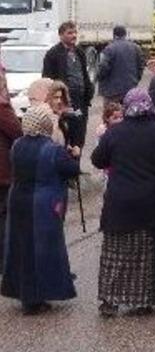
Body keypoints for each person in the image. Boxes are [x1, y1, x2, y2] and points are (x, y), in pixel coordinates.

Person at [90, 89, 155, 317]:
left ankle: (110, 300)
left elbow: (97, 160)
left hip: (120, 202)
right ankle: (142, 300)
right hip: (152, 201)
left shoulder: (115, 133)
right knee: (146, 254)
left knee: (116, 254)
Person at [1, 105, 79, 315]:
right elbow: (72, 170)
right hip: (44, 203)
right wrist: (73, 155)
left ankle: (24, 293)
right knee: (43, 249)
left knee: (21, 248)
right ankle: (40, 294)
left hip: (17, 200)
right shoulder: (52, 149)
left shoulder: (17, 145)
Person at [41, 21, 93, 148]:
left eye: (75, 32)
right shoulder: (53, 54)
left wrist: (89, 92)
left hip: (80, 102)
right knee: (66, 135)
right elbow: (47, 79)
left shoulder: (80, 52)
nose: (74, 35)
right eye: (70, 33)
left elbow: (84, 75)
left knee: (79, 135)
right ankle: (65, 164)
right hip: (64, 101)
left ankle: (76, 165)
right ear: (61, 35)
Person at [0, 68, 23, 270]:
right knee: (4, 215)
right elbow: (17, 132)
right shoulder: (2, 107)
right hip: (2, 171)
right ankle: (4, 262)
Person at [97, 25, 145, 104]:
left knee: (112, 114)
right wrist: (136, 80)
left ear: (114, 35)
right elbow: (141, 66)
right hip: (130, 90)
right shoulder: (136, 48)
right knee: (128, 113)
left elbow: (103, 67)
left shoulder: (109, 49)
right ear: (125, 34)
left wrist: (99, 77)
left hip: (112, 92)